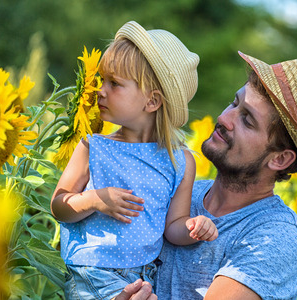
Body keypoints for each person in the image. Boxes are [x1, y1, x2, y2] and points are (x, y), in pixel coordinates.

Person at [115, 51, 297, 299]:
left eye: (247, 120)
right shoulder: (179, 191)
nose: (224, 118)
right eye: (234, 104)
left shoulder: (276, 236)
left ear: (280, 158)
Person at [51, 21, 218, 300]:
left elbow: (173, 227)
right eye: (102, 80)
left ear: (152, 102)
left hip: (144, 276)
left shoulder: (180, 162)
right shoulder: (92, 146)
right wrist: (94, 200)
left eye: (114, 84)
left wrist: (194, 228)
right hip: (92, 274)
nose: (100, 90)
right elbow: (59, 205)